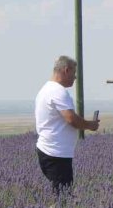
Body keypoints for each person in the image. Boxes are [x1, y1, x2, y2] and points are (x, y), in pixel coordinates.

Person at [35, 55, 99, 194]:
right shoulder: (57, 91)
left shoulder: (46, 89)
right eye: (74, 73)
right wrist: (91, 125)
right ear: (66, 70)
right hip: (56, 153)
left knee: (61, 194)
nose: (75, 78)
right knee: (63, 198)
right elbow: (71, 119)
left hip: (51, 151)